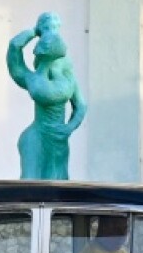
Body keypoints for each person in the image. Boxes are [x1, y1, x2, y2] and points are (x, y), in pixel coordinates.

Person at [6, 12, 87, 180]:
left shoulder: (67, 79)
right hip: (37, 135)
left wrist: (68, 128)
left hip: (58, 138)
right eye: (47, 28)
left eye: (56, 27)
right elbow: (14, 46)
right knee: (29, 182)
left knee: (58, 186)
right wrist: (34, 31)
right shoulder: (32, 79)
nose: (52, 31)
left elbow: (81, 106)